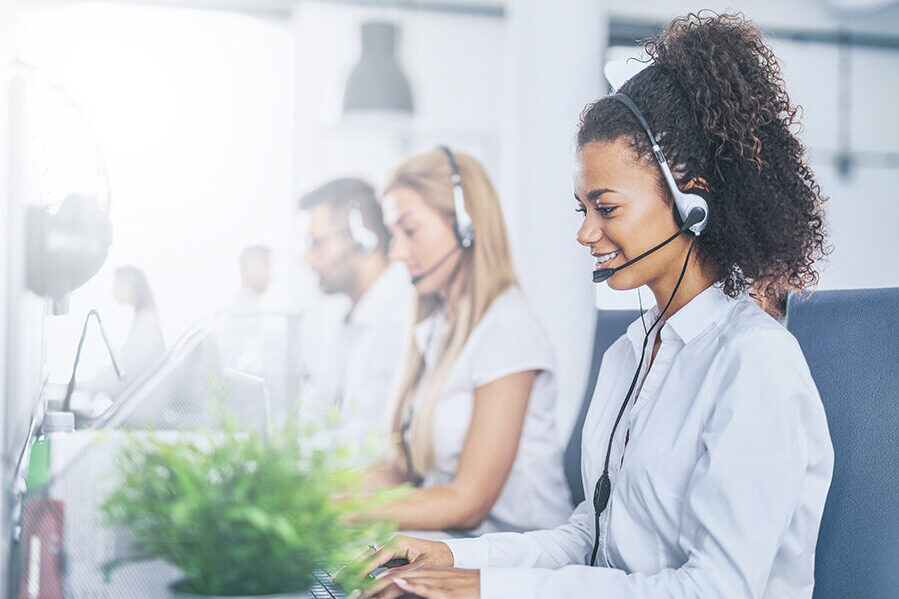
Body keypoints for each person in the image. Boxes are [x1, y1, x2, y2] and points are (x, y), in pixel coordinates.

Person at [352, 13, 833, 599]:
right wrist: (452, 557)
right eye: (582, 209)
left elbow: (717, 589)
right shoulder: (630, 355)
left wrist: (486, 591)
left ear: (692, 203)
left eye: (605, 208)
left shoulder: (754, 362)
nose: (586, 233)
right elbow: (589, 536)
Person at [359, 148, 572, 536]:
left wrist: (341, 514)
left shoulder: (508, 330)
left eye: (409, 231)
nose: (396, 252)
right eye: (393, 235)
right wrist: (304, 495)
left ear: (465, 225)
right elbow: (402, 470)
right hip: (448, 555)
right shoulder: (439, 326)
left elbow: (467, 503)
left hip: (515, 568)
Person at [299, 178, 411, 447]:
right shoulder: (349, 317)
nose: (307, 259)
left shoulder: (402, 315)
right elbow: (315, 409)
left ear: (364, 238)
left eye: (316, 243)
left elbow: (372, 440)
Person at [84, 266, 165, 397]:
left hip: (141, 406)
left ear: (132, 286)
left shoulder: (146, 323)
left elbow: (126, 373)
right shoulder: (143, 318)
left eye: (118, 286)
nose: (113, 291)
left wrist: (87, 386)